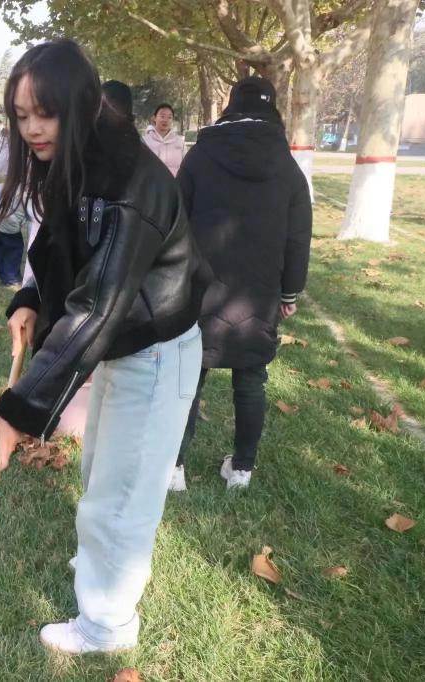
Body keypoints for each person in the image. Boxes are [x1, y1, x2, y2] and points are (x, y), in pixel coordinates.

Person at [0, 39, 208, 655]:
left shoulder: (126, 183)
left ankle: (107, 625)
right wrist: (31, 297)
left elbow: (96, 307)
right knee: (100, 476)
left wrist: (20, 412)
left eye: (45, 113)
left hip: (155, 349)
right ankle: (100, 568)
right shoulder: (79, 159)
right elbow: (64, 252)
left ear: (80, 105)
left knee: (122, 493)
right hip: (125, 343)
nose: (32, 129)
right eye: (21, 115)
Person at [172, 76, 312, 491]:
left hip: (199, 290)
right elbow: (298, 236)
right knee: (251, 380)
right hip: (259, 293)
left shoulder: (200, 155)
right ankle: (242, 471)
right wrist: (290, 291)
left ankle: (172, 468)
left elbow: (175, 222)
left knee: (188, 381)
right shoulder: (287, 166)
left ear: (231, 106)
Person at [142, 103, 186, 176]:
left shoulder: (179, 142)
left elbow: (186, 166)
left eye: (169, 117)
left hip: (174, 182)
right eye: (162, 116)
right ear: (154, 118)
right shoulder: (145, 141)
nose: (165, 120)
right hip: (151, 182)